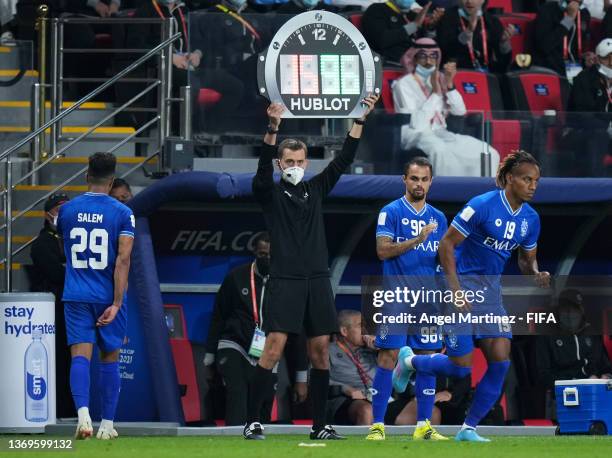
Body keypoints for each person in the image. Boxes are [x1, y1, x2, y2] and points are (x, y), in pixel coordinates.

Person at [242, 93, 379, 441]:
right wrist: (272, 129)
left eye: (300, 161)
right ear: (279, 163)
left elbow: (344, 159)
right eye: (288, 160)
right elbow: (259, 172)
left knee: (320, 353)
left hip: (317, 281)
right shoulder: (269, 193)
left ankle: (320, 425)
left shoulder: (316, 189)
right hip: (285, 281)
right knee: (272, 348)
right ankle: (253, 420)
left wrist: (360, 118)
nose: (295, 166)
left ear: (306, 163)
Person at [393, 151, 551, 441]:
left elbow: (526, 262)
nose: (533, 186)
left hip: (490, 291)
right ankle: (410, 362)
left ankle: (468, 429)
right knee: (461, 369)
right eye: (527, 179)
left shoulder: (531, 219)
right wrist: (455, 292)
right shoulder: (481, 205)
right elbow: (446, 246)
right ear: (509, 179)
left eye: (536, 181)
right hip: (457, 282)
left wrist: (537, 273)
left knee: (501, 360)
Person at [365, 156, 448, 441]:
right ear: (404, 179)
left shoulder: (438, 217)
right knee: (387, 356)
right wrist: (417, 240)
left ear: (431, 182)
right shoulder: (390, 212)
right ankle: (377, 425)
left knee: (428, 358)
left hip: (428, 300)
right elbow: (382, 251)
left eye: (424, 179)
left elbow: (443, 260)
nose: (419, 184)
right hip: (397, 296)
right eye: (414, 178)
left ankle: (424, 425)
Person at [57, 152, 135, 440]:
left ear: (87, 175)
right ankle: (107, 424)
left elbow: (63, 249)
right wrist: (116, 303)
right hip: (107, 294)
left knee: (80, 355)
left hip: (77, 292)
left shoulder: (66, 210)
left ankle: (83, 417)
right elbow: (123, 260)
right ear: (112, 179)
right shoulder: (123, 213)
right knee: (110, 356)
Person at [204, 232, 309, 425]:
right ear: (254, 252)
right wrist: (209, 356)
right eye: (262, 254)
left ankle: (257, 441)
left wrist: (301, 377)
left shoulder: (289, 285)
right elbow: (219, 317)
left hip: (268, 349)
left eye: (271, 255)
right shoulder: (236, 278)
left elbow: (298, 333)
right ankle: (234, 443)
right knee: (238, 391)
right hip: (234, 344)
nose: (267, 259)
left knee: (263, 398)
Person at [393, 38, 500, 176]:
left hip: (441, 133)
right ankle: (446, 196)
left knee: (488, 153)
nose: (428, 61)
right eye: (423, 56)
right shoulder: (403, 85)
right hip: (415, 135)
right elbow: (417, 125)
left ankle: (478, 194)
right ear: (413, 59)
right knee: (441, 151)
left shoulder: (440, 78)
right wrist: (436, 93)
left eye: (433, 56)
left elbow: (460, 111)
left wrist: (449, 86)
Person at [328, 310, 417, 426]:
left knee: (429, 411)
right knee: (367, 411)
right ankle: (369, 443)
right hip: (347, 400)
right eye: (360, 325)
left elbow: (401, 366)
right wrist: (345, 389)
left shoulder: (373, 349)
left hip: (379, 397)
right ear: (344, 331)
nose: (365, 330)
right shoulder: (328, 351)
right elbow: (318, 380)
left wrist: (382, 348)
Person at [29, 193, 73, 418]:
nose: (65, 214)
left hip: (73, 308)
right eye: (60, 209)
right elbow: (57, 274)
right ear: (49, 214)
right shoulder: (42, 244)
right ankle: (61, 410)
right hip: (53, 312)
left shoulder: (75, 239)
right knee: (59, 361)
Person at [536, 289, 612, 391]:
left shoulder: (592, 334)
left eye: (575, 309)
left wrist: (606, 377)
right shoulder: (547, 336)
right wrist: (576, 382)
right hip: (563, 394)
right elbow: (543, 376)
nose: (570, 314)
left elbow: (605, 366)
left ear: (582, 311)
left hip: (594, 391)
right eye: (566, 310)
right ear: (559, 311)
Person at [566, 38, 612, 176]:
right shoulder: (584, 79)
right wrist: (607, 126)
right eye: (606, 59)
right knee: (598, 136)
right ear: (597, 59)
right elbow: (582, 115)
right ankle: (595, 187)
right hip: (582, 131)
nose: (611, 64)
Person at [436, 0, 514, 73]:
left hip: (486, 75)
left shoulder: (492, 22)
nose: (469, 1)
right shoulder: (447, 18)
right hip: (457, 73)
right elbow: (447, 52)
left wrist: (503, 43)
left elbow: (503, 64)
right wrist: (468, 32)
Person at [362, 0, 445, 64]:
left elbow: (425, 45)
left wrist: (430, 27)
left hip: (417, 65)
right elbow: (381, 40)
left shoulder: (413, 15)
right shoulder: (376, 9)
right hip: (390, 64)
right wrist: (413, 26)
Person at [533, 0, 591, 79]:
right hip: (550, 67)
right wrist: (568, 20)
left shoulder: (584, 14)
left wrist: (584, 58)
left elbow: (574, 48)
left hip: (574, 68)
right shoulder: (548, 9)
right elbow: (544, 46)